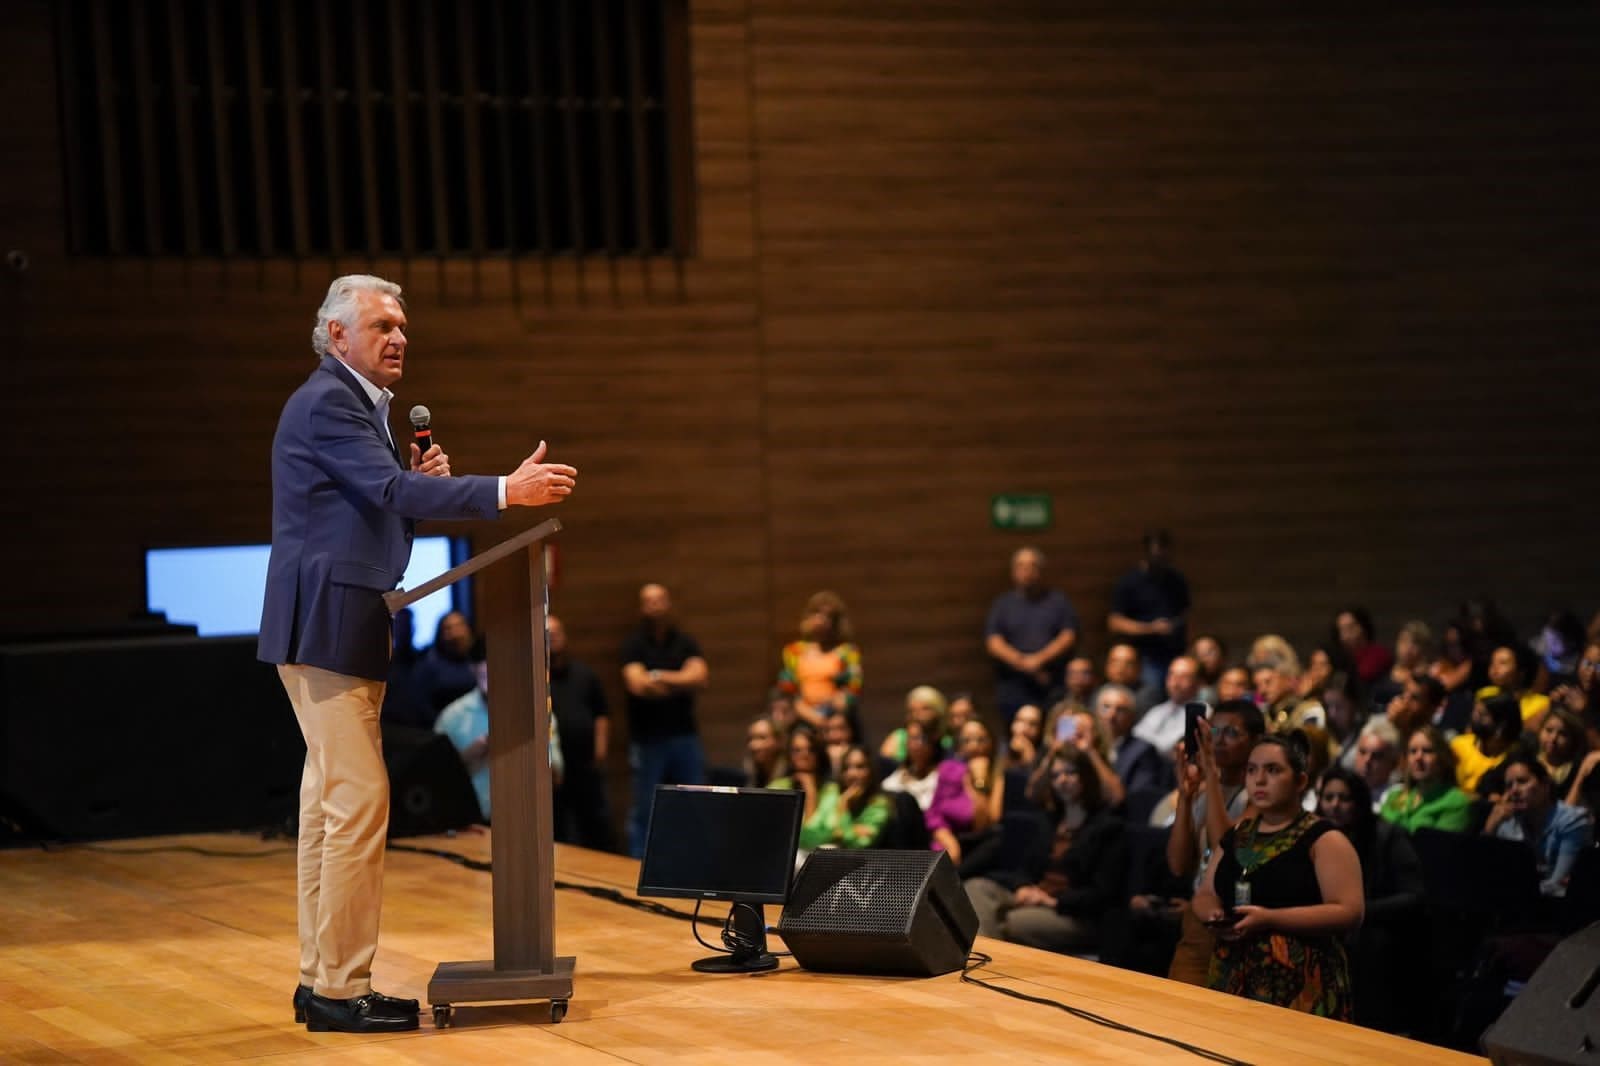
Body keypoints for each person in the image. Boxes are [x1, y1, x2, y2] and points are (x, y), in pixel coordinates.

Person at [258, 274, 576, 1033]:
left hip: (339, 623)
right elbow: (385, 499)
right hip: (326, 624)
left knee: (328, 810)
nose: (398, 337)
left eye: (403, 326)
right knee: (360, 804)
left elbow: (376, 516)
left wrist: (413, 486)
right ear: (338, 336)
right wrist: (505, 490)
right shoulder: (330, 401)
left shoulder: (362, 409)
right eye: (381, 325)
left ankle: (320, 979)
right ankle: (341, 988)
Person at [1194, 733, 1362, 1020]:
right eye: (1252, 770)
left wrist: (1270, 918)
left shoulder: (1324, 838)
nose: (1259, 780)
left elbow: (1349, 911)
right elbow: (1206, 893)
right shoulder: (1239, 834)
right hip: (1234, 969)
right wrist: (1213, 916)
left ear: (1300, 782)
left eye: (1272, 770)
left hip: (1301, 979)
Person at [963, 746, 1128, 955]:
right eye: (1056, 775)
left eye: (1070, 773)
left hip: (1071, 913)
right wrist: (1023, 887)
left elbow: (1102, 893)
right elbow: (1026, 869)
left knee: (1008, 922)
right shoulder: (1050, 821)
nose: (1063, 780)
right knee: (976, 887)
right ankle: (988, 964)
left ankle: (985, 963)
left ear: (1086, 777)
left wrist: (1050, 900)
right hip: (1037, 897)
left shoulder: (1108, 827)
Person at [1163, 699, 1265, 986]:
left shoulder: (1258, 796)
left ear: (1256, 741)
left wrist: (1209, 770)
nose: (1218, 741)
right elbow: (1179, 864)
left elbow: (1229, 851)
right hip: (1199, 917)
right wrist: (1185, 796)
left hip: (1237, 922)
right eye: (1213, 731)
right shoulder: (1205, 791)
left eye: (1231, 733)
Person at [1316, 767, 1424, 1032]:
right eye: (1328, 798)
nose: (1335, 806)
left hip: (1377, 934)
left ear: (1360, 802)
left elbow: (1414, 896)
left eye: (1344, 798)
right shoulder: (1315, 837)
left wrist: (1357, 911)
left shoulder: (1386, 835)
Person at [620, 583, 710, 858]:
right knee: (646, 806)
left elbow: (700, 677)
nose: (655, 606)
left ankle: (699, 860)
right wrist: (679, 680)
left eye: (659, 600)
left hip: (684, 736)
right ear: (641, 607)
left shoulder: (685, 642)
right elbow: (636, 684)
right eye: (649, 601)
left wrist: (658, 676)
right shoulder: (634, 645)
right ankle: (638, 862)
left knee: (697, 800)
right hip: (648, 739)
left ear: (668, 604)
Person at [435, 657, 565, 824]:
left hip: (525, 822)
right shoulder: (452, 717)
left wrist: (531, 747)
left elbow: (556, 779)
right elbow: (433, 781)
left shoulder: (537, 714)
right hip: (467, 824)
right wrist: (466, 756)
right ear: (474, 669)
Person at [984, 547, 1081, 720]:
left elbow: (1068, 636)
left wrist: (1039, 660)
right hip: (1014, 685)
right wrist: (1023, 663)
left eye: (1032, 566)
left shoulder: (1058, 601)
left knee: (1065, 728)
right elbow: (993, 642)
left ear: (1041, 571)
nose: (1026, 571)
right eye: (1021, 566)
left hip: (1053, 683)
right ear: (1013, 572)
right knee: (1016, 733)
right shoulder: (1003, 604)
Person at [1484, 753, 1595, 898]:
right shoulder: (1508, 824)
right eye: (1509, 785)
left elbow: (1558, 885)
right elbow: (1482, 876)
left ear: (1545, 785)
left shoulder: (1573, 821)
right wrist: (1489, 829)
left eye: (1522, 781)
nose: (1514, 791)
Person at [548, 614, 613, 851]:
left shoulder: (585, 675)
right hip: (553, 770)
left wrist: (600, 750)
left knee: (595, 824)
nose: (552, 638)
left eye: (556, 633)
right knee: (558, 828)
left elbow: (601, 714)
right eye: (547, 634)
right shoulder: (536, 680)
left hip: (586, 763)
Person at [1108, 529, 1192, 693]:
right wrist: (1150, 628)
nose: (1160, 558)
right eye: (1156, 554)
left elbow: (1188, 614)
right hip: (1145, 655)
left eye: (1163, 554)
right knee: (1151, 692)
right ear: (1146, 552)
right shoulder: (1130, 582)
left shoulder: (1176, 580)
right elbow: (1114, 622)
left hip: (1175, 650)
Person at [774, 591, 863, 731]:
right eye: (817, 614)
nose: (822, 620)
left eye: (829, 616)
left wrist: (833, 711)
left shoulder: (847, 652)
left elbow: (853, 689)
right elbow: (787, 690)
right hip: (801, 717)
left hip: (835, 720)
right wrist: (808, 714)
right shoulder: (794, 651)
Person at [926, 719, 1005, 865]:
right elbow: (934, 815)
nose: (974, 746)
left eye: (981, 739)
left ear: (991, 743)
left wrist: (979, 782)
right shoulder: (948, 770)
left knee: (997, 840)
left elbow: (986, 824)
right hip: (948, 839)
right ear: (959, 746)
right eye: (967, 740)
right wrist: (949, 841)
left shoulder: (997, 776)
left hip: (978, 844)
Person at [1380, 726, 1473, 833]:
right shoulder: (1394, 796)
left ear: (1442, 758)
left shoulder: (1456, 802)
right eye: (1413, 751)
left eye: (1427, 751)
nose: (1418, 757)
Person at [801, 745, 893, 850]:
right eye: (846, 768)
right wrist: (851, 829)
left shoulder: (879, 804)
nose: (852, 774)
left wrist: (842, 811)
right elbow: (807, 837)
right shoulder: (832, 794)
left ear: (871, 771)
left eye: (860, 767)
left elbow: (859, 846)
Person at [1093, 683, 1168, 796]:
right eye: (1106, 707)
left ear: (1133, 716)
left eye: (1120, 710)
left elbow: (1135, 798)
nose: (1111, 715)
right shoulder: (1088, 743)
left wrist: (1091, 753)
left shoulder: (1143, 750)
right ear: (1096, 712)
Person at [410, 610, 480, 719]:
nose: (455, 633)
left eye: (459, 626)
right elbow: (421, 705)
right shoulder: (428, 665)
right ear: (440, 634)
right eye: (448, 629)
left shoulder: (481, 661)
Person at [1451, 693, 1522, 794]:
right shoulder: (1458, 744)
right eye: (1475, 712)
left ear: (1501, 725)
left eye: (1482, 715)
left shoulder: (1513, 759)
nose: (1474, 717)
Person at [1132, 656, 1201, 762]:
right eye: (1172, 675)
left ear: (1198, 682)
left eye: (1184, 677)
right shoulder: (1157, 710)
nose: (1176, 682)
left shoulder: (1201, 713)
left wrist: (1146, 747)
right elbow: (1135, 738)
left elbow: (1170, 748)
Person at [1477, 644, 1550, 727]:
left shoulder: (1542, 703)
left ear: (1521, 671)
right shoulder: (1485, 694)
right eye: (1492, 662)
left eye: (1503, 663)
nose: (1494, 668)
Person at [881, 719, 946, 812]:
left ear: (932, 741)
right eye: (910, 739)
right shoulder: (902, 774)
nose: (915, 745)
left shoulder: (943, 773)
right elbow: (886, 788)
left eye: (920, 738)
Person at [880, 686, 951, 762]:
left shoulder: (948, 741)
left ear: (939, 711)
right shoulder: (898, 737)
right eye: (912, 710)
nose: (917, 714)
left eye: (925, 709)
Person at [1332, 606, 1394, 690]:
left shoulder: (1378, 654)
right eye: (1341, 630)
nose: (1345, 635)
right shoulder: (1340, 656)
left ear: (1363, 627)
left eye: (1350, 628)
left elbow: (1364, 676)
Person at [1351, 718, 1403, 810]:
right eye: (1362, 752)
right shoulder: (1342, 795)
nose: (1367, 761)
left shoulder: (1400, 799)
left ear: (1393, 763)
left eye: (1377, 756)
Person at [743, 715, 787, 789]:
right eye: (750, 739)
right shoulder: (752, 777)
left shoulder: (793, 778)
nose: (753, 745)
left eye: (762, 737)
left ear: (779, 741)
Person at [1006, 703, 1046, 771]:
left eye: (1033, 724)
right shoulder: (999, 751)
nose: (1024, 729)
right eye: (1020, 720)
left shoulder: (1045, 758)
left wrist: (1029, 760)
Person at [1191, 635, 1227, 704]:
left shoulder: (1231, 681)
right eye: (1198, 653)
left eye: (1209, 652)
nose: (1203, 658)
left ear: (1223, 655)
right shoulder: (1187, 686)